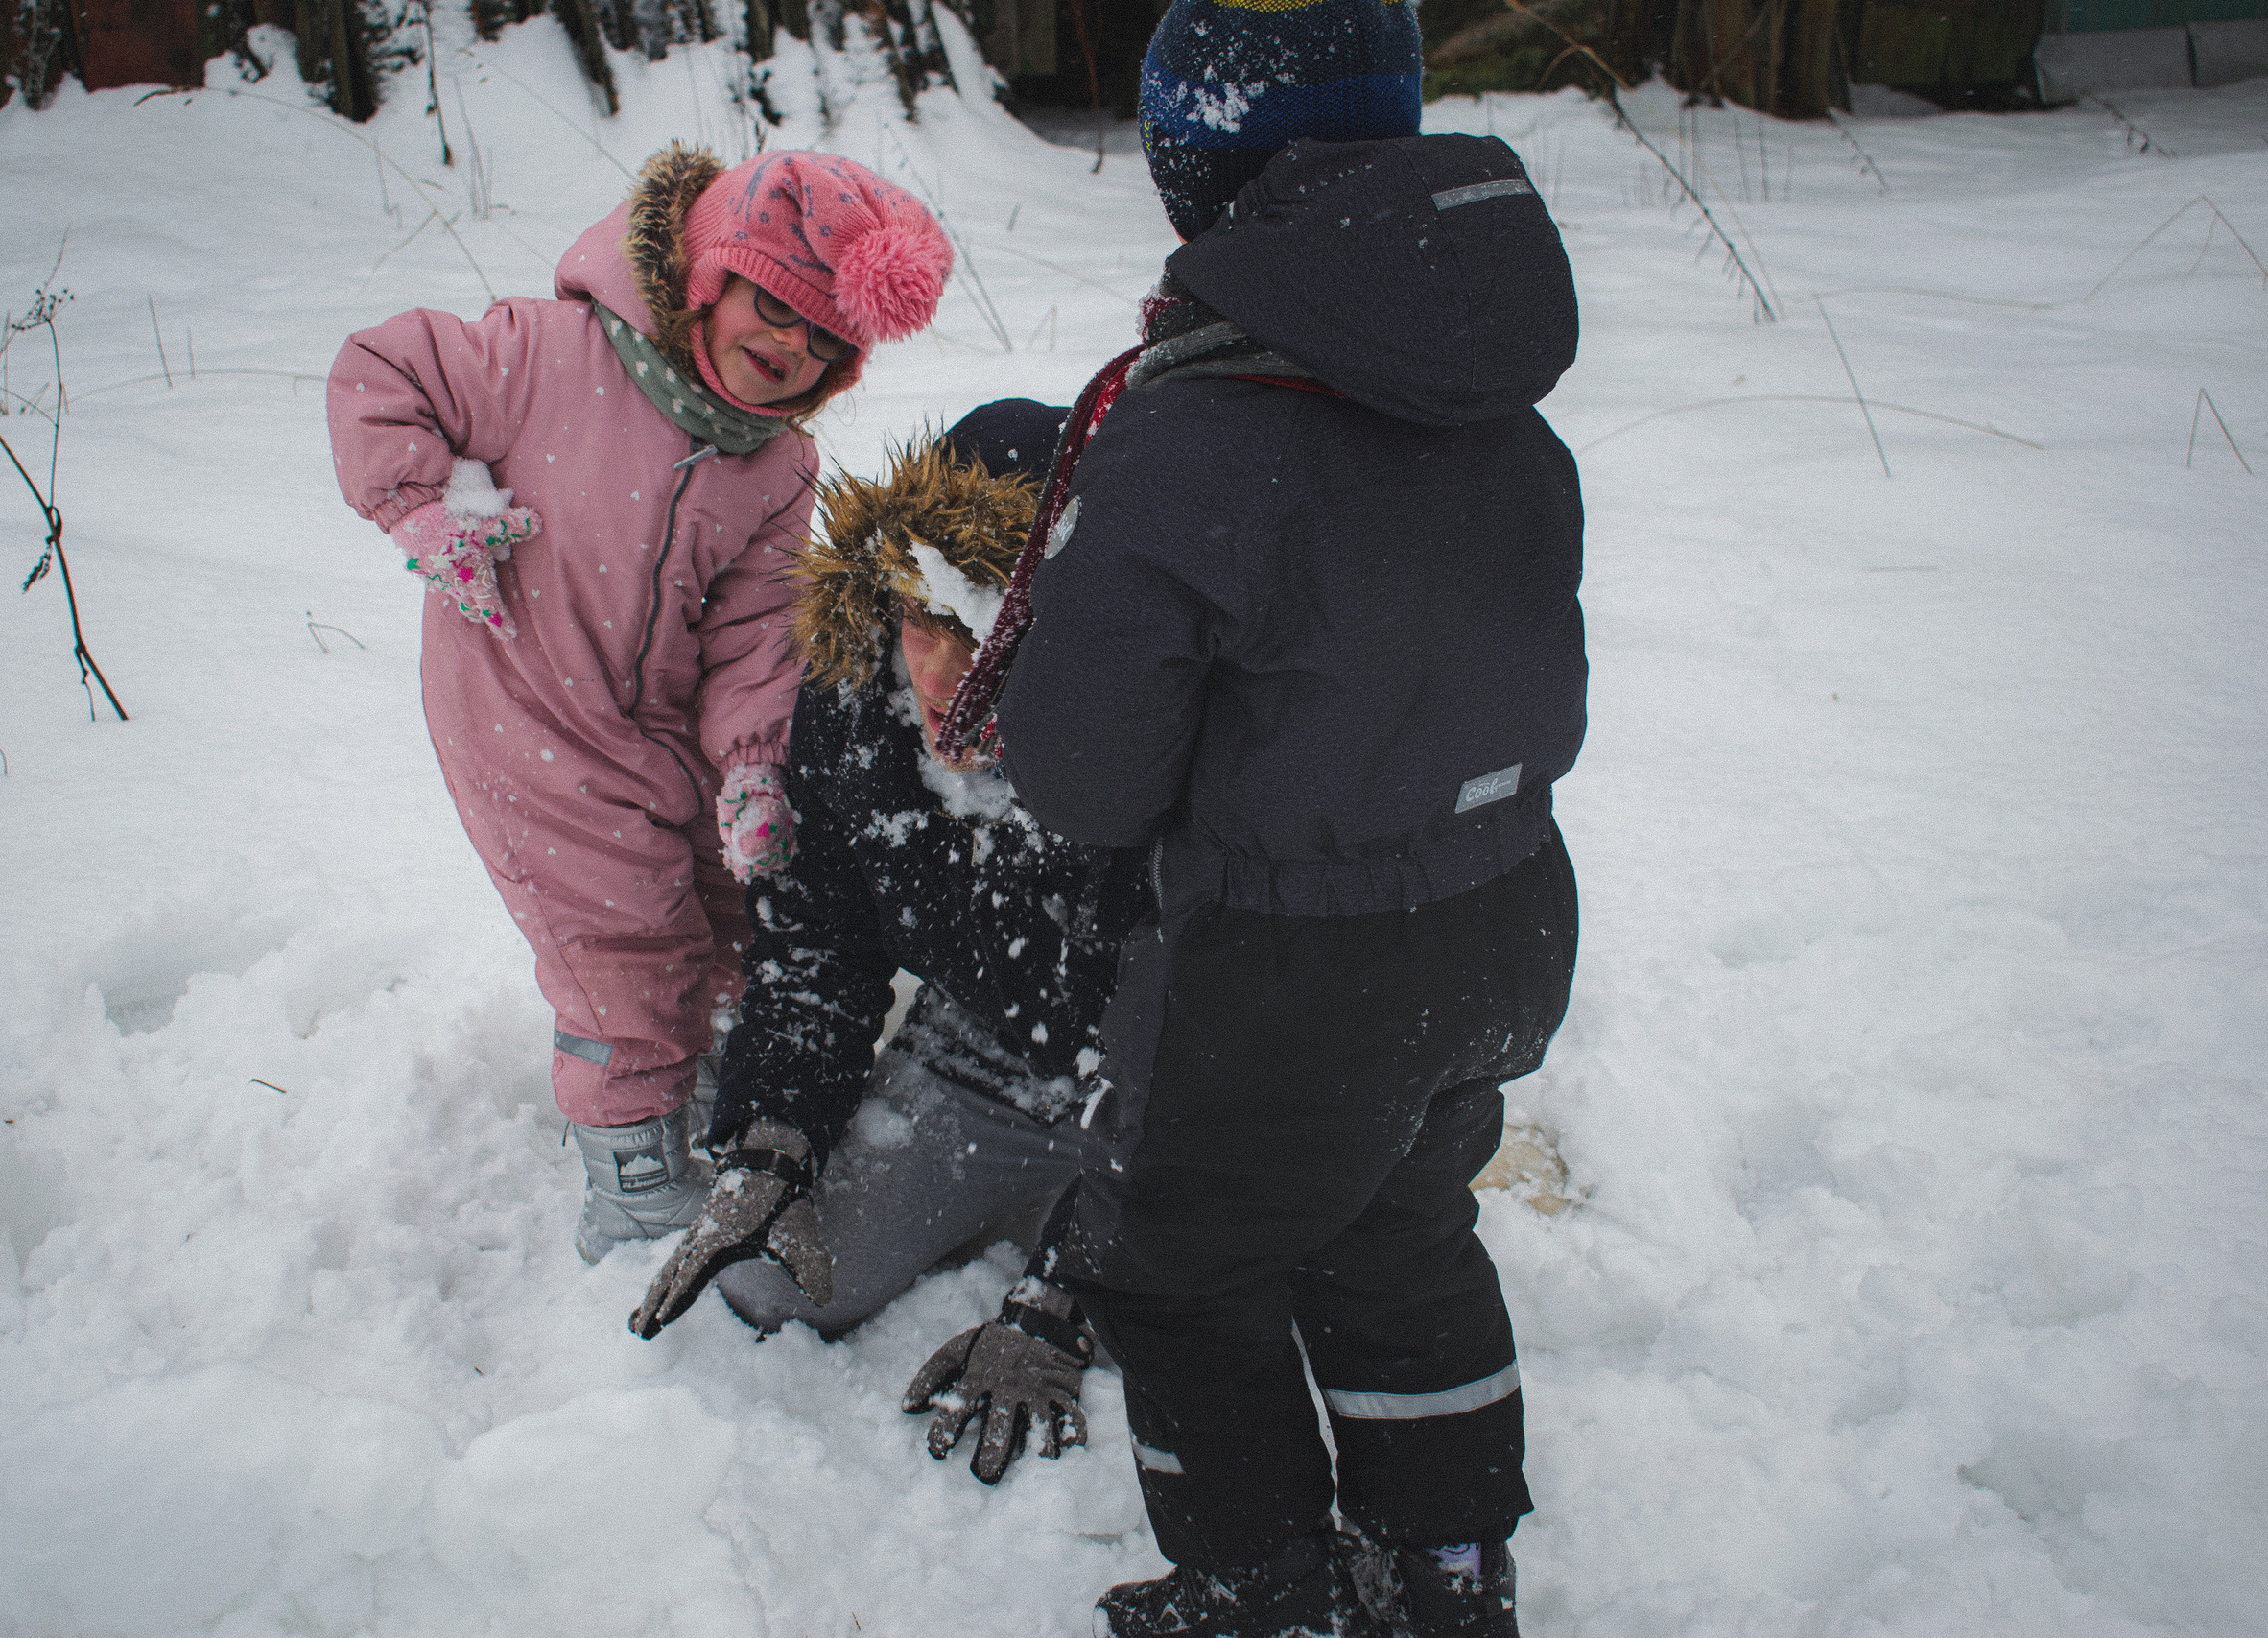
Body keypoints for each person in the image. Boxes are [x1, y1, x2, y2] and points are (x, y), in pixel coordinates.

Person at [944, 2, 1590, 1632]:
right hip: (1504, 919)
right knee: (1397, 1231)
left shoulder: (1191, 429)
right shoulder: (1504, 407)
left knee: (1184, 1268)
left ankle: (1253, 1587)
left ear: (1194, 163)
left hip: (1293, 970)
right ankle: (1445, 1570)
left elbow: (1085, 776)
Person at [326, 145, 950, 1264]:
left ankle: (706, 1063)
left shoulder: (777, 463)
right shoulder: (541, 355)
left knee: (730, 900)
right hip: (525, 711)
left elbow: (757, 630)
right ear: (710, 278)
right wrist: (421, 510)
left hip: (660, 726)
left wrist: (756, 766)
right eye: (775, 307)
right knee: (620, 945)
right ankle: (629, 1180)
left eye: (824, 340)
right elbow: (383, 370)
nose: (788, 348)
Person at [630, 402, 1155, 1486]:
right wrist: (772, 1143)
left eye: (985, 624)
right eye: (922, 613)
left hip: (1178, 1102)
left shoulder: (1154, 737)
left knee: (1217, 1324)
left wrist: (1060, 1291)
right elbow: (818, 946)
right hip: (990, 1056)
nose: (940, 667)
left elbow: (1201, 1030)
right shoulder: (855, 703)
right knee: (774, 1281)